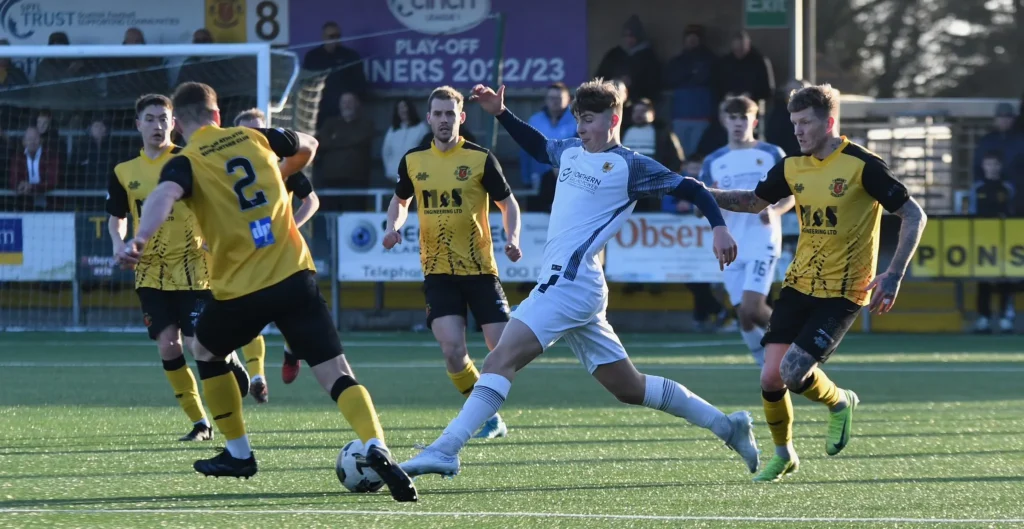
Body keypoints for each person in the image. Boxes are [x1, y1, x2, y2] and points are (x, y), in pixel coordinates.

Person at [400, 79, 759, 480]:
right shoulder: (571, 150)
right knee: (629, 387)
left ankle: (445, 449)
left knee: (499, 359)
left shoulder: (630, 166)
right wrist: (501, 113)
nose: (581, 128)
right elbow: (539, 147)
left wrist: (718, 227)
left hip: (568, 284)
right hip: (580, 285)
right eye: (578, 120)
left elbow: (691, 188)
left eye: (588, 120)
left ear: (613, 120)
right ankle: (727, 426)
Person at [120, 82, 417, 502]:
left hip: (242, 289)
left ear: (180, 126)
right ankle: (376, 444)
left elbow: (163, 195)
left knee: (205, 350)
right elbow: (310, 144)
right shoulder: (254, 136)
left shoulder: (186, 161)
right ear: (218, 115)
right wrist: (282, 171)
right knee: (337, 372)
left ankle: (239, 453)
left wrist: (141, 237)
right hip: (294, 274)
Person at [707, 84, 927, 482]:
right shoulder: (793, 166)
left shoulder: (863, 165)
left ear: (829, 122)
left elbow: (913, 215)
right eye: (794, 123)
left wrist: (894, 274)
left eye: (805, 122)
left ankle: (840, 401)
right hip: (799, 282)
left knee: (792, 373)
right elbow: (754, 201)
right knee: (770, 377)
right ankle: (784, 454)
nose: (798, 131)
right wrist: (704, 193)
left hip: (844, 290)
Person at [106, 94, 250, 442]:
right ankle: (201, 423)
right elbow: (117, 217)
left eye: (164, 119)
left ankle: (228, 357)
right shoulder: (124, 172)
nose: (157, 125)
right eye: (150, 119)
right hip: (150, 272)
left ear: (175, 124)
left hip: (195, 268)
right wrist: (118, 244)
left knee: (198, 345)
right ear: (137, 125)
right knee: (168, 346)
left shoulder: (191, 161)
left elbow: (220, 202)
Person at [383, 86, 522, 440]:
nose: (444, 120)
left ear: (461, 117)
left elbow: (508, 203)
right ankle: (488, 417)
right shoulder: (413, 161)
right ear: (429, 118)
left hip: (480, 270)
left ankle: (485, 406)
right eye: (438, 114)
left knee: (504, 350)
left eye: (450, 114)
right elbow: (400, 201)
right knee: (452, 351)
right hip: (438, 272)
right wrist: (393, 227)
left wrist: (513, 238)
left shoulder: (480, 158)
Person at [231, 107, 323, 398]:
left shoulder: (281, 166)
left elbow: (312, 201)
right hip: (247, 252)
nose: (255, 136)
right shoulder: (227, 171)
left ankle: (291, 351)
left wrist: (292, 224)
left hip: (283, 251)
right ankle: (257, 375)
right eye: (248, 131)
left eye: (260, 130)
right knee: (248, 315)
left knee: (294, 313)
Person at [699, 96, 793, 366]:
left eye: (744, 117)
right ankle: (767, 368)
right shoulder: (714, 161)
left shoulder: (771, 153)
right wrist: (707, 199)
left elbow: (791, 194)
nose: (738, 123)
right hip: (730, 244)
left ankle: (797, 348)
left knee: (753, 307)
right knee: (744, 315)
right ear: (724, 121)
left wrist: (775, 211)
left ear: (754, 121)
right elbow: (700, 204)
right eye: (733, 117)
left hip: (762, 240)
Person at [970, 150, 1015, 334]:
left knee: (1005, 278)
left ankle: (1005, 318)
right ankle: (984, 318)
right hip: (982, 241)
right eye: (989, 164)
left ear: (1000, 166)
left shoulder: (1007, 188)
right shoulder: (977, 188)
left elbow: (1012, 214)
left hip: (1003, 241)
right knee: (984, 280)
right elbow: (971, 215)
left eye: (995, 164)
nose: (992, 168)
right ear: (983, 166)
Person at [381, 98, 429, 183]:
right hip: (393, 178)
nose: (403, 110)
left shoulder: (421, 128)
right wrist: (390, 168)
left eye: (405, 107)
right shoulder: (392, 130)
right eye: (400, 108)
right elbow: (386, 152)